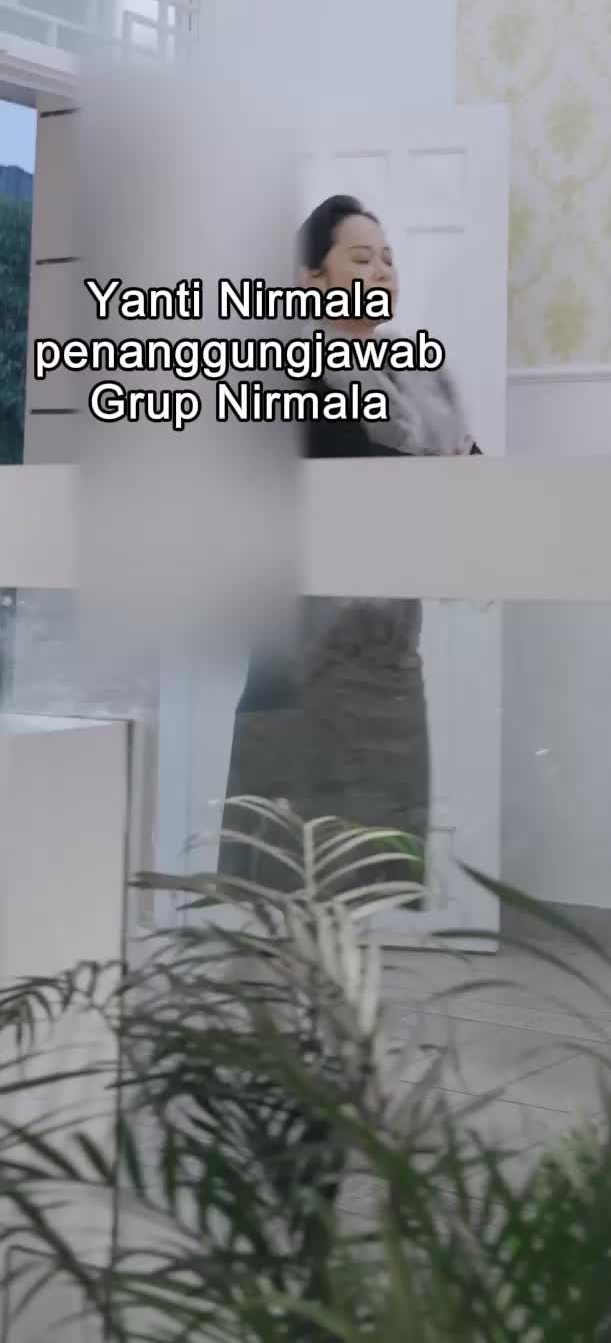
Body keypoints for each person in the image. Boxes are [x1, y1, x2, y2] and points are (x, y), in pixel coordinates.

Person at [218, 194, 480, 894]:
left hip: (391, 657)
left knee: (377, 872)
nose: (382, 270)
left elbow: (474, 480)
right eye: (360, 257)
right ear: (311, 277)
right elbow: (349, 470)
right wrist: (437, 472)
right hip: (303, 657)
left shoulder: (425, 374)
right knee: (288, 868)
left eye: (388, 257)